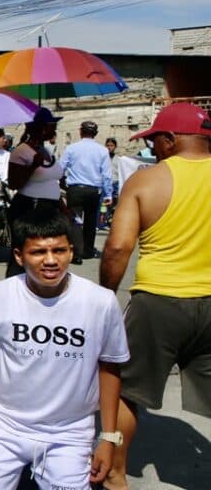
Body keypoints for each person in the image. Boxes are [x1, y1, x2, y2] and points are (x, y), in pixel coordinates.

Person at [0, 209, 129, 490]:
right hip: (3, 426)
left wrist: (108, 437)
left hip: (69, 433)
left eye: (59, 250)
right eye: (38, 252)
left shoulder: (101, 302)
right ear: (19, 256)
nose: (51, 260)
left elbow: (109, 368)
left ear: (71, 251)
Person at [98, 102, 211, 490]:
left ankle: (116, 474)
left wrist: (105, 296)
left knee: (126, 390)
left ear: (169, 139)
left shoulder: (147, 180)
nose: (153, 148)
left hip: (158, 301)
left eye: (154, 141)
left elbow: (118, 247)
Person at [5, 107, 79, 274]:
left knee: (44, 251)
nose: (55, 130)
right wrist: (33, 166)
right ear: (42, 128)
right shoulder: (21, 152)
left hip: (50, 207)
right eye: (52, 125)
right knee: (26, 251)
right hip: (30, 207)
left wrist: (62, 206)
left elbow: (51, 182)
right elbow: (14, 183)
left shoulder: (45, 150)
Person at [61, 121, 113, 259]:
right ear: (95, 134)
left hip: (75, 189)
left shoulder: (71, 148)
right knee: (90, 221)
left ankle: (76, 252)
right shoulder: (102, 151)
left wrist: (62, 182)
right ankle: (88, 250)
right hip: (93, 191)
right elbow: (106, 175)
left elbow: (60, 168)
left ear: (80, 131)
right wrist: (108, 194)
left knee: (75, 220)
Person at [102, 137, 119, 230]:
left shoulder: (118, 159)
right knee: (104, 204)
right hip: (105, 184)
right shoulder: (103, 158)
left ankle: (111, 221)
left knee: (114, 205)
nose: (109, 147)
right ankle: (102, 223)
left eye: (111, 145)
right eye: (108, 145)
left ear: (115, 146)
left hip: (115, 183)